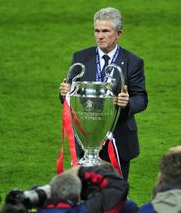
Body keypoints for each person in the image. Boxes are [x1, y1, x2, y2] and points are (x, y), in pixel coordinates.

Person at [59, 7, 148, 180]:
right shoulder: (80, 57)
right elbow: (69, 95)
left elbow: (142, 99)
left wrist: (127, 102)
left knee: (115, 196)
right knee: (88, 196)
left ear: (119, 33)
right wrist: (65, 92)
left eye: (105, 31)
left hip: (118, 140)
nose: (100, 36)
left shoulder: (133, 62)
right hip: (87, 141)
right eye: (97, 31)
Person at [37, 165, 128, 212]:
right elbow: (118, 185)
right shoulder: (85, 210)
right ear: (78, 197)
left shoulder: (29, 207)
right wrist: (80, 171)